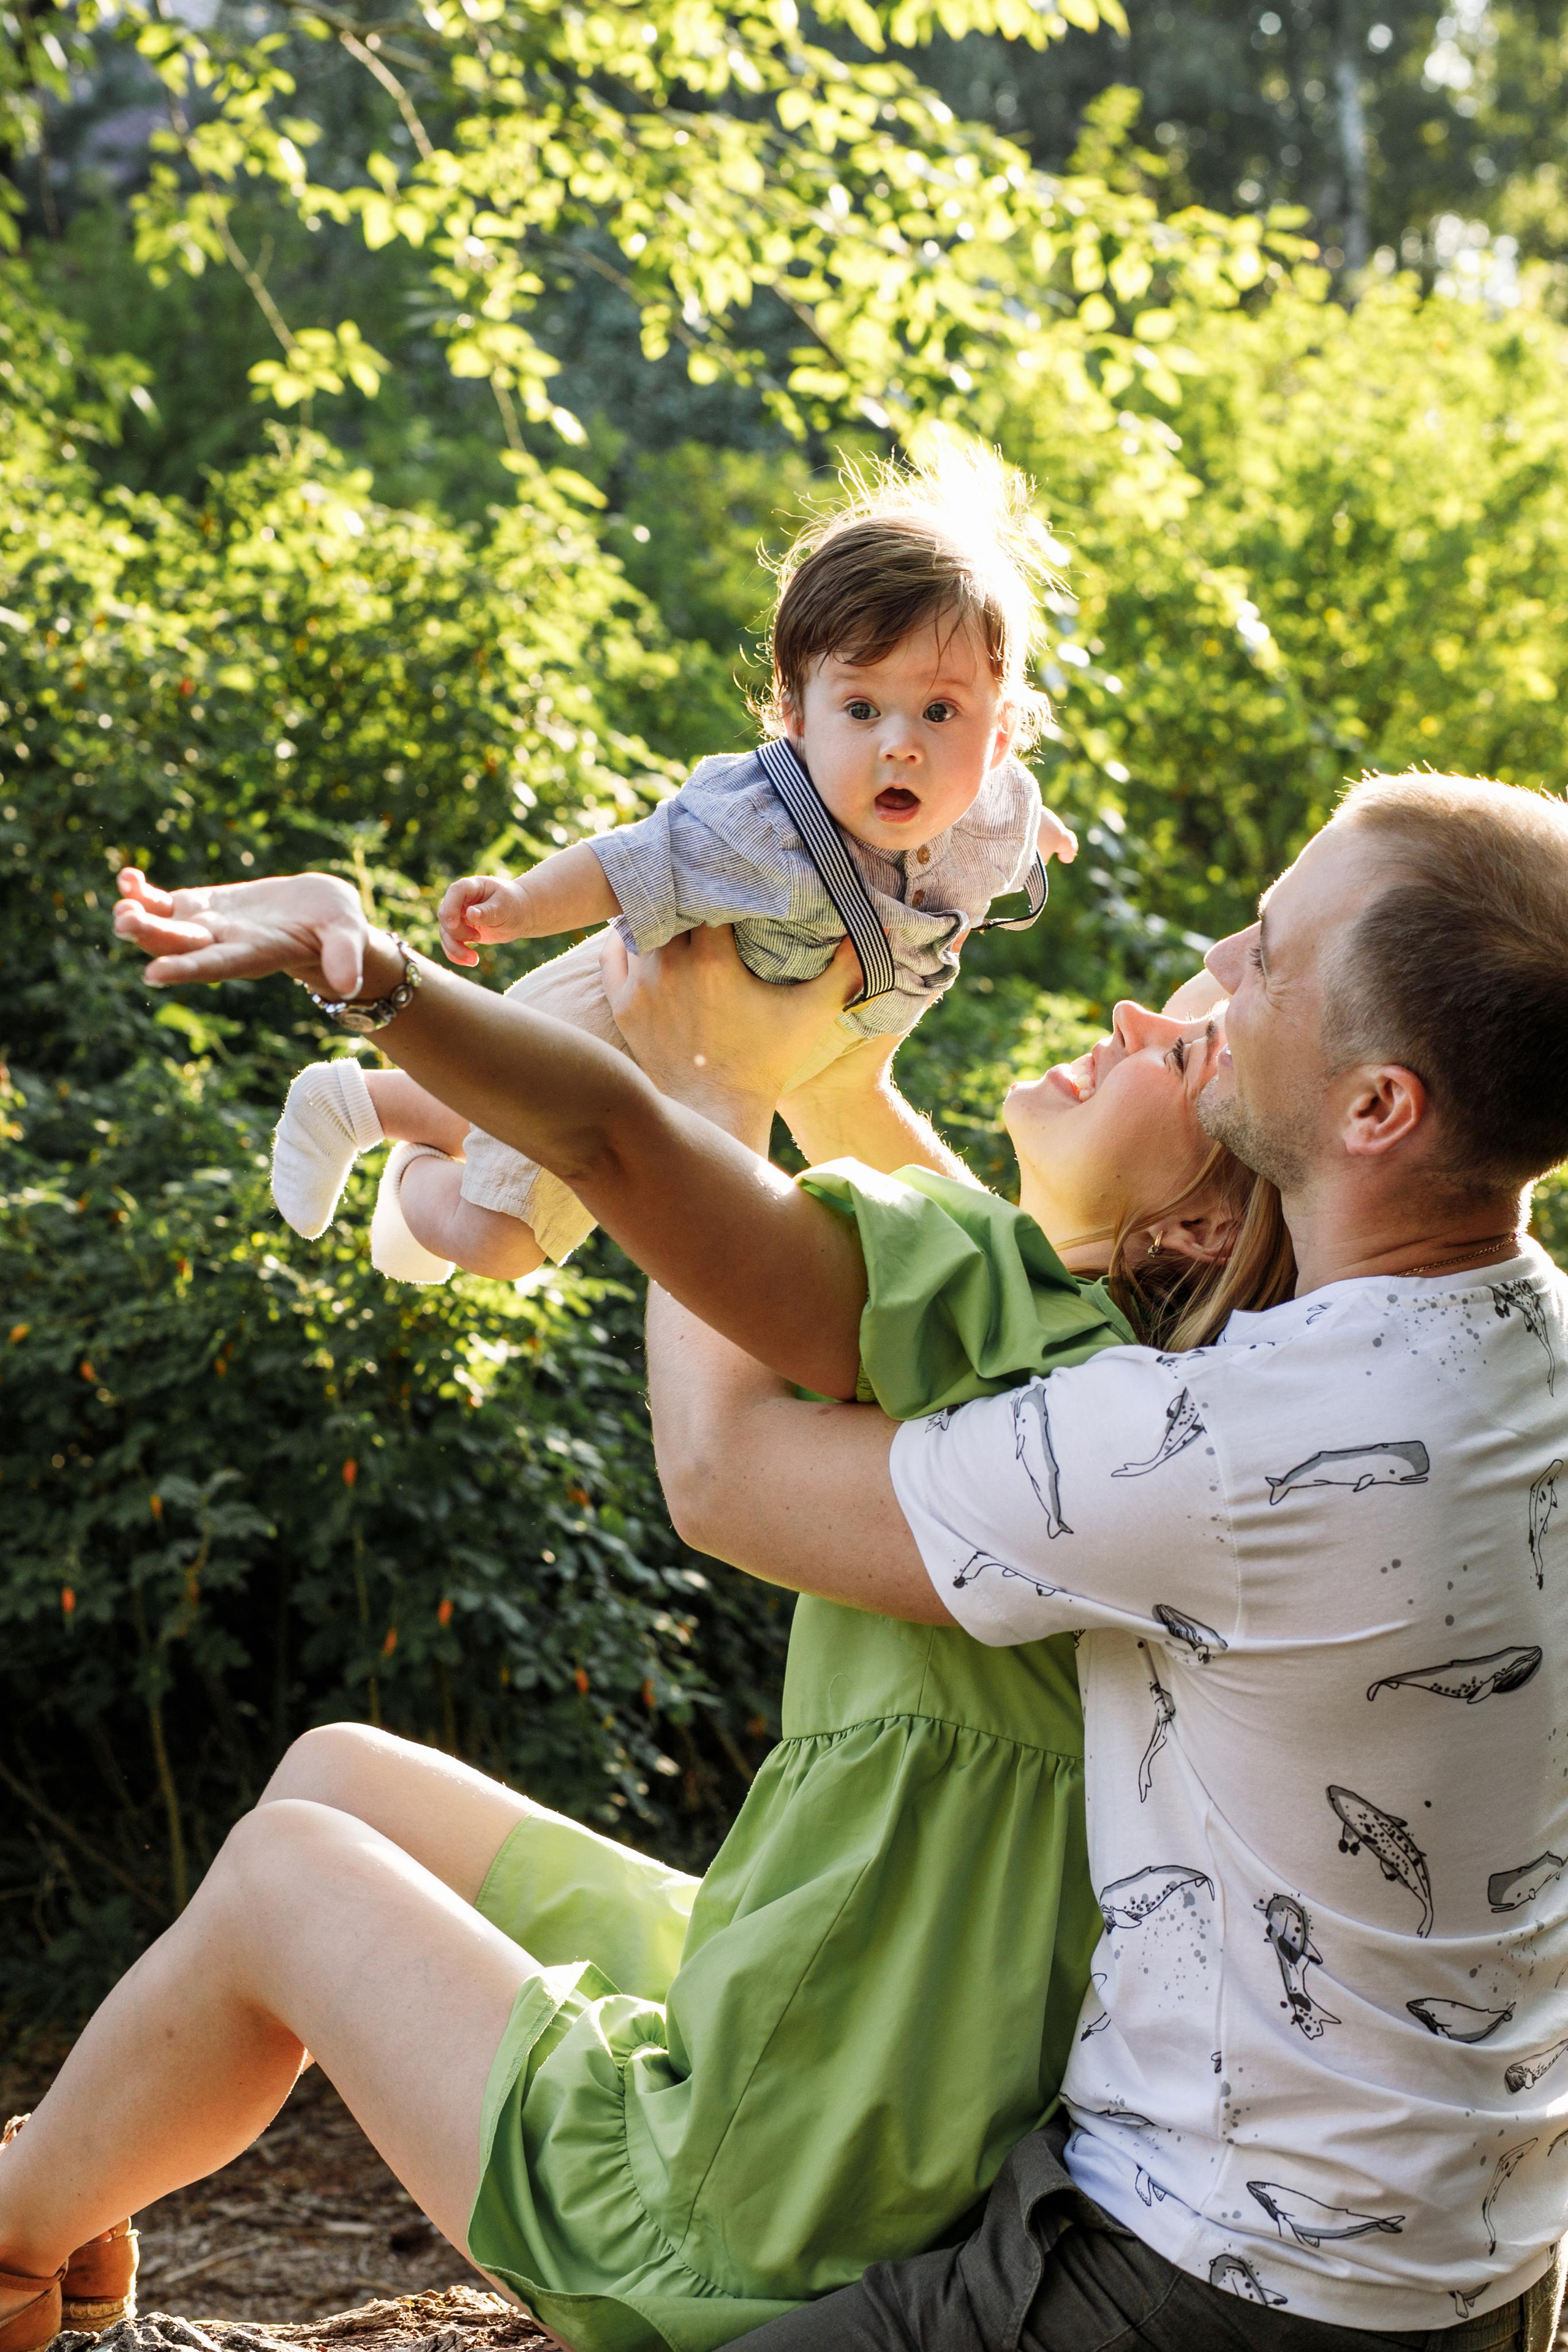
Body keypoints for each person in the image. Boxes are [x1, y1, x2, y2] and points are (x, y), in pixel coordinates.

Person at [0, 862, 1278, 2352]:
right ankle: (72, 2186)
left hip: (738, 2208)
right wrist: (828, 1055)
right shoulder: (1098, 1376)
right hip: (859, 2085)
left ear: (1191, 1235)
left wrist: (709, 1076)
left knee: (284, 1874)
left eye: (1184, 1049)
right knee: (339, 1774)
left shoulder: (1011, 1321)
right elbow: (959, 1226)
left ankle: (15, 2234)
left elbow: (653, 1220)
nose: (1128, 1018)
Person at [635, 771, 1568, 2351]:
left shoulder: (1241, 1442)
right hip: (1479, 2277)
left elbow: (725, 1476)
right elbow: (1029, 1327)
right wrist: (839, 1079)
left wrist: (704, 1087)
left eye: (1262, 955)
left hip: (1200, 2289)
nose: (1210, 958)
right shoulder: (1509, 1341)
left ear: (1375, 1109)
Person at [267, 442, 1076, 1286]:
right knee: (500, 1242)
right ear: (796, 715)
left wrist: (1040, 836)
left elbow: (1006, 809)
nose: (902, 746)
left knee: (504, 1144)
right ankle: (380, 1138)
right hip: (618, 1015)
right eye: (863, 708)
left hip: (705, 1064)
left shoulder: (992, 805)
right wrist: (520, 905)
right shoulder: (757, 823)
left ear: (998, 737)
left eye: (940, 712)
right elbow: (629, 863)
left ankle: (381, 1118)